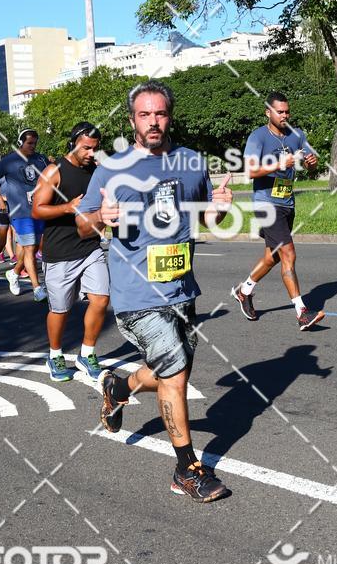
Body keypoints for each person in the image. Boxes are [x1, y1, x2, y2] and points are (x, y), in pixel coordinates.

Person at [76, 80, 231, 504]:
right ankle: (186, 468)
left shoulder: (191, 162)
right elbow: (82, 222)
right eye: (144, 115)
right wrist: (100, 217)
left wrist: (219, 208)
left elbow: (207, 218)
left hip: (182, 288)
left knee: (168, 371)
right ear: (132, 120)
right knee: (175, 375)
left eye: (160, 113)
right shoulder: (111, 167)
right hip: (136, 294)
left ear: (170, 116)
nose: (153, 122)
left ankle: (119, 390)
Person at [231, 92, 324, 330]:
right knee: (289, 253)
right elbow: (250, 171)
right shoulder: (258, 136)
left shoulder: (297, 135)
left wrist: (312, 163)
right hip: (265, 203)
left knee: (273, 256)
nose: (284, 115)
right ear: (268, 112)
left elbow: (309, 162)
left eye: (287, 111)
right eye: (279, 112)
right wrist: (281, 164)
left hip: (287, 202)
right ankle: (301, 312)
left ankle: (244, 290)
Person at [32, 122, 110, 382]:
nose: (91, 153)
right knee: (61, 310)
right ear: (74, 142)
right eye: (86, 148)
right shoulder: (54, 171)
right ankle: (55, 355)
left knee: (101, 299)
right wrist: (68, 208)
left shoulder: (96, 171)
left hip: (89, 247)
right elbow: (37, 209)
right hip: (60, 251)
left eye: (95, 149)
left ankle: (87, 354)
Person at [0, 130, 49, 302]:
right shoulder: (9, 161)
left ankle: (13, 273)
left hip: (38, 209)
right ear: (20, 142)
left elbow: (50, 177)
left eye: (35, 143)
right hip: (20, 212)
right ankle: (37, 288)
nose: (33, 147)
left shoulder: (40, 159)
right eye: (29, 143)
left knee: (34, 247)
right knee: (29, 248)